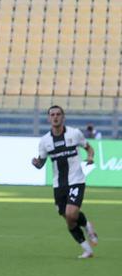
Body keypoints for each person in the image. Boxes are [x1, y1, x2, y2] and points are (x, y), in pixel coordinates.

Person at [33, 105, 99, 259]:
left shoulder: (74, 134)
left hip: (76, 180)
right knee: (69, 219)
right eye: (52, 115)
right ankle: (87, 249)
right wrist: (36, 163)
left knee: (71, 213)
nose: (55, 117)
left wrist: (90, 157)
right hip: (59, 184)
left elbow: (89, 148)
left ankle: (87, 228)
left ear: (63, 117)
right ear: (49, 118)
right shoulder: (45, 141)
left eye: (58, 114)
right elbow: (41, 162)